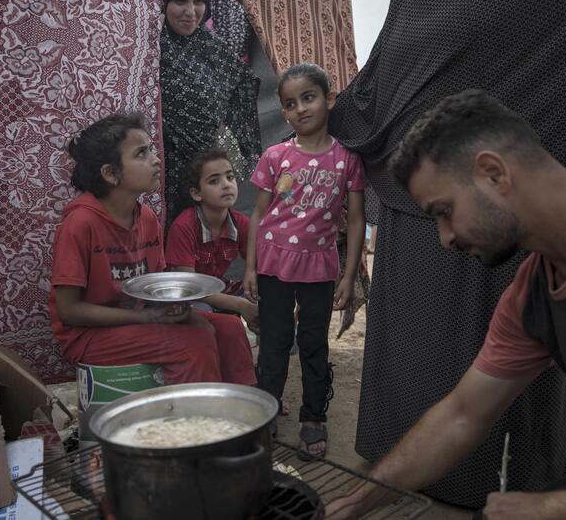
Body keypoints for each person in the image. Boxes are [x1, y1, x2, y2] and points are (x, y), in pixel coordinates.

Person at [326, 89, 566, 520]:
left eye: (444, 211)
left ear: (493, 174)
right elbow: (462, 415)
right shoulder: (532, 291)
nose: (444, 238)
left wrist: (559, 508)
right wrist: (357, 501)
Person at [48, 113, 255, 386]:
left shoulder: (146, 218)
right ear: (111, 173)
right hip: (89, 335)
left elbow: (156, 285)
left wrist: (173, 311)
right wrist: (144, 316)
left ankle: (242, 410)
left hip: (141, 319)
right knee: (194, 341)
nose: (156, 159)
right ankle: (199, 421)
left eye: (151, 150)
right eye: (142, 153)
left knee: (229, 328)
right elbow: (69, 310)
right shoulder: (80, 224)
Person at [243, 64, 367, 459]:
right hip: (273, 264)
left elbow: (358, 219)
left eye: (308, 98)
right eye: (290, 104)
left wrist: (349, 276)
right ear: (284, 113)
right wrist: (249, 267)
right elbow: (259, 216)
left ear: (328, 99)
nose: (300, 109)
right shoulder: (276, 156)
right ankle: (266, 413)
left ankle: (314, 417)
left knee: (314, 345)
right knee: (274, 344)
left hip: (319, 267)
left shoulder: (346, 160)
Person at [159, 0, 261, 221]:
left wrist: (234, 143)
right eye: (180, 0)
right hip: (161, 178)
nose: (191, 12)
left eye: (199, 1)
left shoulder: (211, 47)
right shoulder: (149, 50)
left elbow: (244, 85)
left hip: (204, 180)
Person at [165, 147, 259, 332]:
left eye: (230, 177)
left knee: (269, 298)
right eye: (214, 181)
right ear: (196, 193)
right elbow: (189, 288)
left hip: (220, 287)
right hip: (187, 297)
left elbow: (259, 264)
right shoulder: (184, 227)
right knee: (203, 317)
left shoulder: (241, 223)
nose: (226, 185)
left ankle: (272, 354)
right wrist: (240, 305)